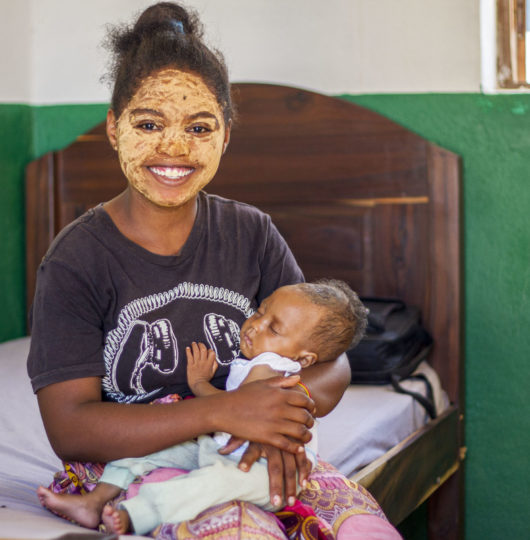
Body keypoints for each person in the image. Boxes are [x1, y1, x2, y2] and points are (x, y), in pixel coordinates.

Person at [27, 2, 400, 538]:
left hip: (259, 444)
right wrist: (226, 412)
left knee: (364, 529)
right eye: (148, 123)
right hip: (129, 467)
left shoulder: (251, 233)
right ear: (113, 129)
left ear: (225, 135)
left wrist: (273, 420)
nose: (173, 147)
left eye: (199, 126)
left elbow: (332, 366)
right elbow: (70, 426)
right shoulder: (77, 259)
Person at [36, 280, 368, 534]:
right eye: (260, 310)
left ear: (305, 358)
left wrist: (198, 385)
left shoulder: (270, 366)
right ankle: (93, 503)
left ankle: (132, 514)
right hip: (224, 445)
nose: (255, 325)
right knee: (148, 450)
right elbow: (235, 413)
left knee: (208, 486)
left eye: (273, 327)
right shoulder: (269, 355)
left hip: (265, 473)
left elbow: (237, 409)